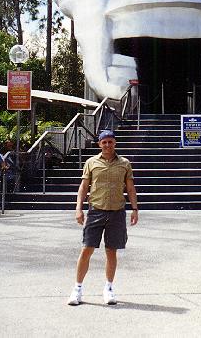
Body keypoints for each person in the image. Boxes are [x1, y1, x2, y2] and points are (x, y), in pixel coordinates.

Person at [68, 129, 138, 306]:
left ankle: (108, 289)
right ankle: (77, 290)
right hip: (96, 210)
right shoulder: (91, 162)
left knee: (111, 251)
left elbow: (130, 188)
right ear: (99, 144)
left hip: (117, 212)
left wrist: (135, 209)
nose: (107, 145)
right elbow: (83, 188)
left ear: (115, 143)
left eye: (110, 142)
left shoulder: (124, 163)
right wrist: (78, 208)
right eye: (104, 142)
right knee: (86, 249)